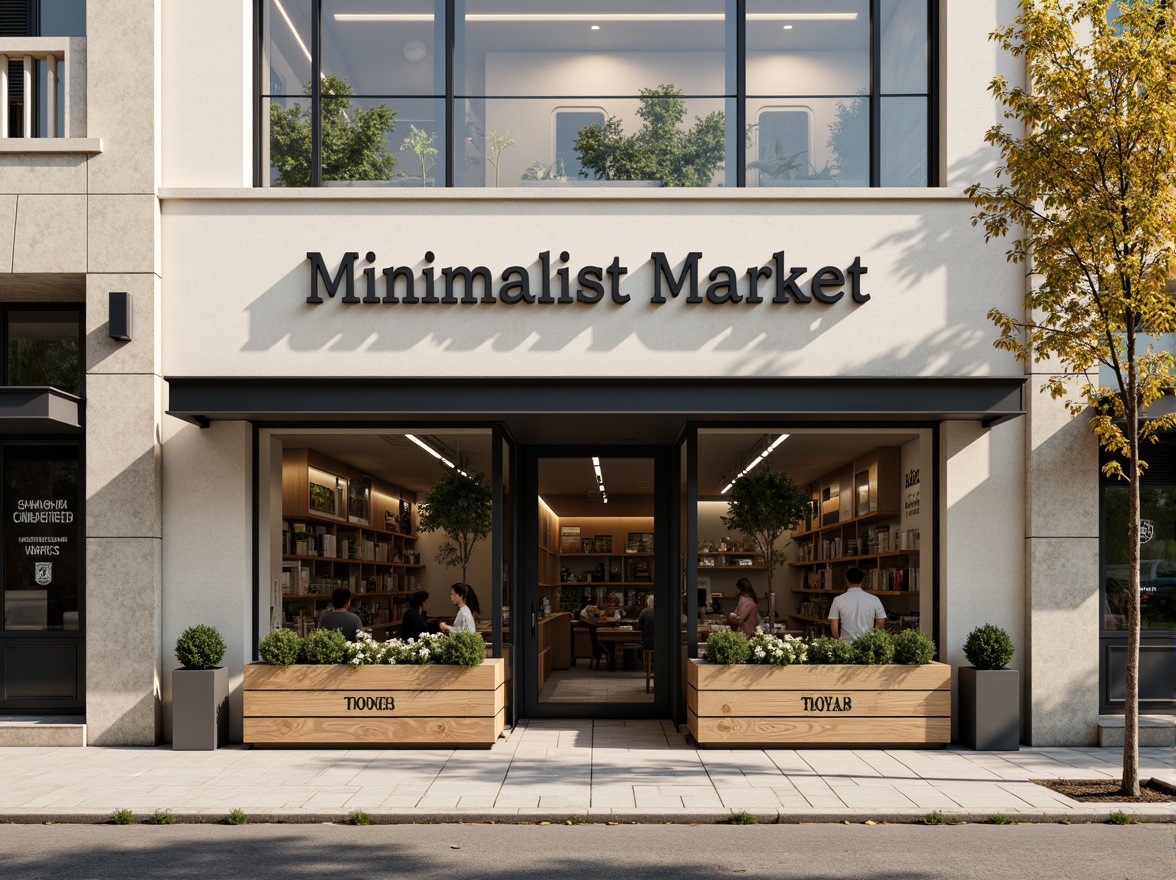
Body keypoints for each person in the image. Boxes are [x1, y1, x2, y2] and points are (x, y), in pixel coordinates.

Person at [828, 566, 887, 642]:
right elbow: (881, 621)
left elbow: (834, 625)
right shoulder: (874, 599)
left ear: (846, 580)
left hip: (846, 644)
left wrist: (837, 640)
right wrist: (873, 638)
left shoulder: (838, 600)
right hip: (867, 643)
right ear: (862, 580)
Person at [579, 594, 614, 670]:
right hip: (592, 627)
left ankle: (604, 652)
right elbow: (594, 616)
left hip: (591, 626)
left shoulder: (588, 609)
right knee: (608, 633)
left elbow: (595, 617)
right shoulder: (591, 608)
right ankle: (606, 651)